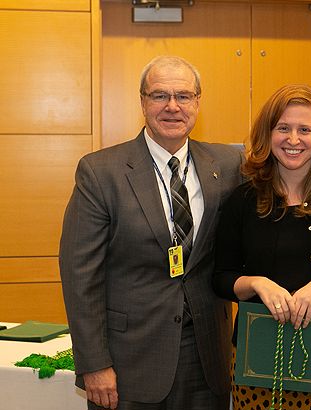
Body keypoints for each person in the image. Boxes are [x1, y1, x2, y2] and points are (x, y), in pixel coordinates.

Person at [59, 55, 243, 410]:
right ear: (143, 101)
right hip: (129, 361)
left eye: (183, 96)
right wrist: (95, 364)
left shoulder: (229, 165)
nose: (172, 106)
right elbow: (80, 275)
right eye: (160, 96)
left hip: (208, 358)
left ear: (198, 102)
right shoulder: (101, 172)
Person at [212, 84, 311, 410]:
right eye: (283, 128)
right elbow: (221, 277)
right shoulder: (243, 200)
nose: (293, 140)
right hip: (258, 358)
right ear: (268, 135)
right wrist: (256, 283)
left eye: (304, 130)